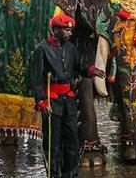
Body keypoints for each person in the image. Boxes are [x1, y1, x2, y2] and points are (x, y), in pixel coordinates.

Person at [31, 14, 102, 178]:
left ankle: (71, 173)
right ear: (55, 30)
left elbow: (80, 66)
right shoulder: (42, 49)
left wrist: (92, 71)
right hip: (52, 102)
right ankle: (54, 173)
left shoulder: (71, 48)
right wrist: (41, 101)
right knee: (52, 143)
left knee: (72, 140)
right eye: (66, 30)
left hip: (69, 102)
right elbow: (36, 78)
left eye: (70, 30)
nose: (69, 33)